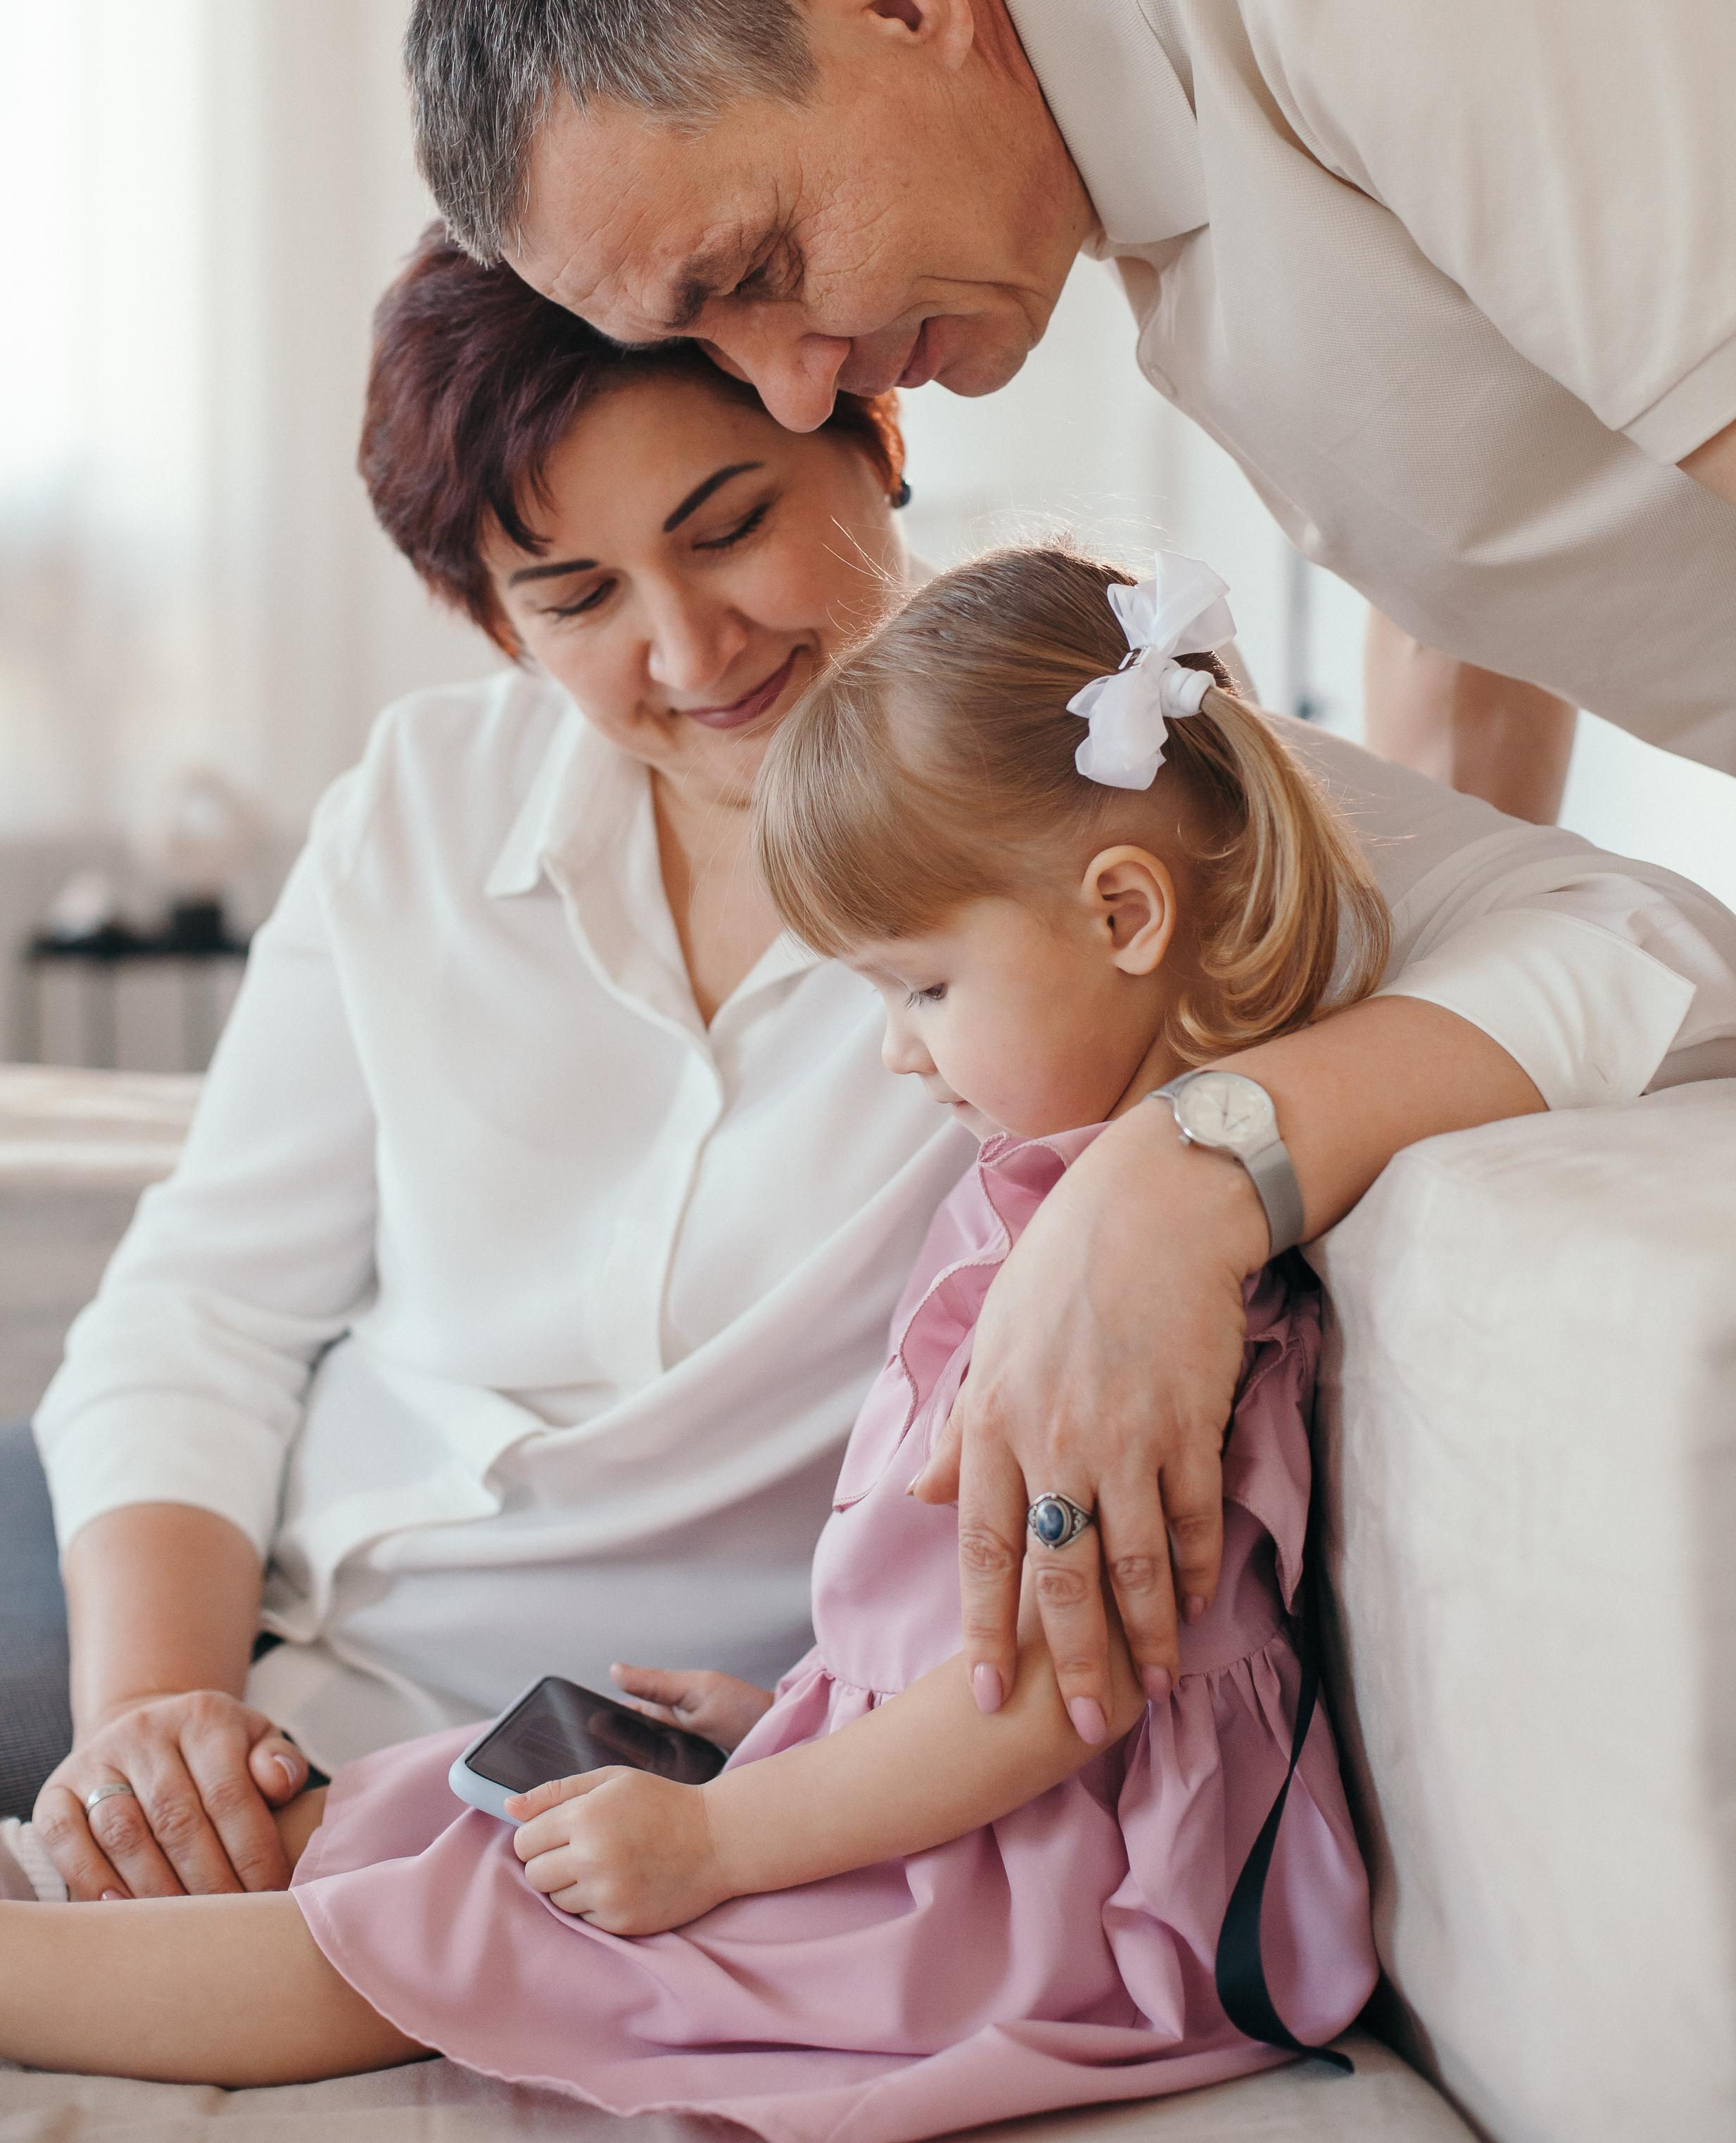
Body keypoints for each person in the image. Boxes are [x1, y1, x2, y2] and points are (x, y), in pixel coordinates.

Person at [398, 0, 1736, 1724]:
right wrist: (1283, 1097)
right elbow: (1479, 603)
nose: (804, 383)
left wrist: (1202, 1151)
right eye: (707, 340)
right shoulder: (1145, 180)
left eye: (760, 266)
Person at [10, 246, 1735, 1904]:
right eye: (578, 597)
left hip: (656, 1753)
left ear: (871, 444)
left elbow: (1650, 939)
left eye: (734, 524)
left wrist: (1189, 1169)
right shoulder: (418, 801)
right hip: (256, 1640)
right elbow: (204, 1311)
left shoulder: (1108, 789)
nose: (692, 653)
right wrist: (148, 1718)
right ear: (493, 619)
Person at [0, 545, 1422, 2118]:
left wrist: (732, 1835)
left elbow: (1054, 1694)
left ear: (1125, 912)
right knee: (434, 1791)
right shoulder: (1038, 1204)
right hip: (970, 1789)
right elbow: (971, 1642)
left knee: (490, 1907)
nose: (895, 1052)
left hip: (1063, 1891)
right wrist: (804, 1719)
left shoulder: (1131, 1292)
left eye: (924, 987)